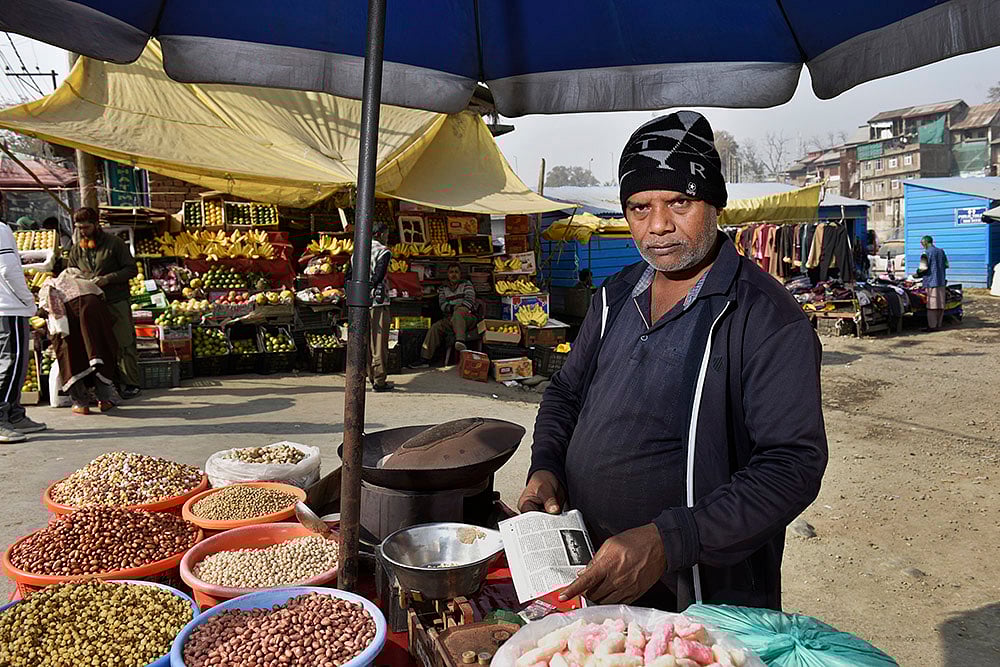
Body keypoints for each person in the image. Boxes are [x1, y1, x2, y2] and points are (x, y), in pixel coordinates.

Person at [519, 111, 828, 612]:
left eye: (679, 202)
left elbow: (791, 466)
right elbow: (565, 394)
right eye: (639, 208)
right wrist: (547, 466)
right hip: (593, 565)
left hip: (700, 589)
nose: (658, 225)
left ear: (714, 204)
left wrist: (668, 542)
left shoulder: (766, 317)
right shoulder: (615, 297)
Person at [66, 207, 142, 399]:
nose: (83, 231)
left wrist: (107, 279)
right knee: (98, 345)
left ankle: (131, 383)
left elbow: (131, 269)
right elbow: (70, 271)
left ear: (96, 224)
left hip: (116, 300)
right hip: (91, 304)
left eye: (86, 227)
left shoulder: (114, 244)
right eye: (79, 228)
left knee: (124, 342)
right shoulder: (77, 249)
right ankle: (107, 383)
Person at [38, 269, 120, 414]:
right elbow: (103, 303)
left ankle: (81, 403)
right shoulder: (88, 284)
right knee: (98, 351)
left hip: (69, 316)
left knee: (70, 355)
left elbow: (44, 311)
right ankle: (105, 399)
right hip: (94, 314)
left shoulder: (52, 286)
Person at [0, 221, 47, 442]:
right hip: (9, 308)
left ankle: (15, 415)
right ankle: (2, 418)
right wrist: (29, 301)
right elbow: (8, 269)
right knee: (13, 360)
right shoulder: (0, 229)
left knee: (7, 361)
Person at [346, 223, 393, 392]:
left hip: (360, 302)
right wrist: (372, 288)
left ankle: (368, 375)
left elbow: (349, 276)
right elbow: (379, 276)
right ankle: (379, 380)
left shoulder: (357, 251)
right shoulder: (383, 251)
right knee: (379, 342)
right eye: (386, 234)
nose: (387, 237)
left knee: (364, 340)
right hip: (378, 302)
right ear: (380, 234)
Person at [410, 263, 476, 367]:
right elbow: (443, 305)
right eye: (451, 272)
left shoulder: (467, 284)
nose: (454, 275)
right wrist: (453, 308)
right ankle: (424, 359)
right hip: (450, 318)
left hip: (467, 317)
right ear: (448, 274)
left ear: (460, 274)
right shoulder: (443, 288)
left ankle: (460, 341)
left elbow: (469, 301)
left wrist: (457, 308)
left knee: (459, 313)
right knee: (435, 328)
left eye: (456, 272)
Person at [917, 235, 949, 332]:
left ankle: (932, 326)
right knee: (940, 304)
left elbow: (923, 268)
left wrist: (917, 274)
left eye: (922, 243)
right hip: (941, 281)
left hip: (931, 282)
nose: (922, 245)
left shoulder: (926, 253)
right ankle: (939, 324)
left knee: (932, 305)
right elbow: (946, 265)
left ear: (925, 242)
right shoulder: (941, 252)